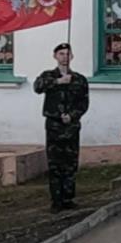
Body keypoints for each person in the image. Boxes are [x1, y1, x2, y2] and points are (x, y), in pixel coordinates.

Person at [33, 43, 90, 212]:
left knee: (70, 164)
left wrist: (72, 115)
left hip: (71, 126)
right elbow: (37, 87)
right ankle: (56, 200)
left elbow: (84, 103)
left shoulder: (79, 79)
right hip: (54, 126)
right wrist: (58, 82)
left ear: (72, 57)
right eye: (61, 54)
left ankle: (68, 198)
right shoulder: (48, 76)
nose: (64, 57)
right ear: (55, 56)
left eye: (67, 54)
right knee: (55, 164)